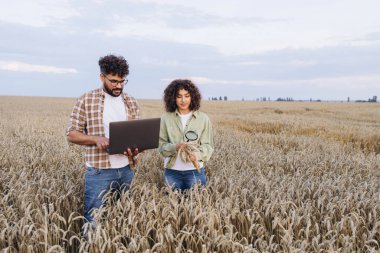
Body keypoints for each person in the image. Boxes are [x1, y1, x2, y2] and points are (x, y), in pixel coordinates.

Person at [66, 54, 140, 230]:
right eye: (114, 81)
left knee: (124, 219)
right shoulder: (86, 99)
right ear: (102, 77)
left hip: (126, 170)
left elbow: (135, 135)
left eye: (122, 81)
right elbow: (71, 134)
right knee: (93, 221)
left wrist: (137, 148)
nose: (119, 86)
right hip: (99, 172)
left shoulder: (131, 102)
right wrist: (95, 139)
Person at [159, 79, 214, 191]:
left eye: (187, 96)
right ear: (173, 98)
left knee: (197, 206)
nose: (183, 100)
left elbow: (208, 146)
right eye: (179, 96)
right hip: (172, 172)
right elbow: (161, 147)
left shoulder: (203, 119)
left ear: (192, 97)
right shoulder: (165, 119)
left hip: (195, 171)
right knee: (171, 207)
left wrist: (196, 156)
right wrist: (176, 147)